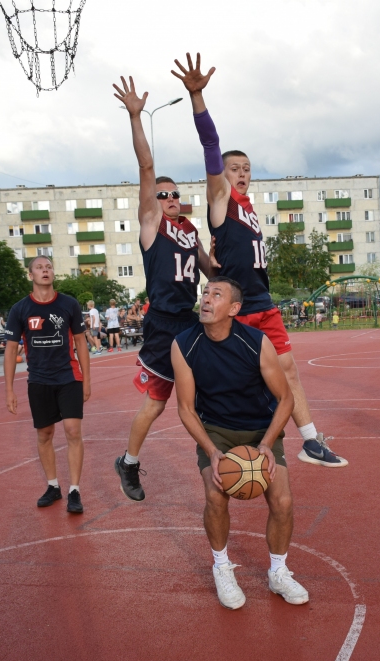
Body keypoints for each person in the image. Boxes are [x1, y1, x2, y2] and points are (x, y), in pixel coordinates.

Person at [176, 52, 346, 467]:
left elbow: (231, 260)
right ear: (221, 174)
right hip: (238, 307)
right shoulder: (221, 201)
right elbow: (211, 144)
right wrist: (198, 98)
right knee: (242, 380)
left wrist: (214, 266)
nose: (241, 173)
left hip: (261, 300)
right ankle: (225, 441)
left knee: (289, 372)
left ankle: (308, 440)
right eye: (234, 168)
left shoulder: (250, 210)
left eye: (247, 168)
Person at [110, 74, 216, 502]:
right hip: (163, 324)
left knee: (211, 386)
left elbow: (210, 267)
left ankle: (217, 453)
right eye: (163, 194)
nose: (170, 198)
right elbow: (147, 168)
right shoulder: (152, 225)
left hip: (190, 321)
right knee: (156, 403)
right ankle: (128, 462)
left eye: (175, 194)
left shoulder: (189, 228)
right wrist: (137, 117)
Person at [172, 277, 307, 609]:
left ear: (233, 309)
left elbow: (285, 399)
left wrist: (267, 445)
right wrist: (212, 451)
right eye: (205, 292)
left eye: (216, 294)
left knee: (283, 501)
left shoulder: (256, 342)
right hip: (216, 429)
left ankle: (278, 572)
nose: (206, 298)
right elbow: (186, 409)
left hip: (261, 428)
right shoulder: (183, 344)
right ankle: (221, 567)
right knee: (215, 494)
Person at [4, 256, 92, 514]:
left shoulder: (69, 304)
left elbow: (81, 343)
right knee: (44, 434)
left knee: (73, 431)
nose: (46, 270)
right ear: (30, 275)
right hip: (39, 380)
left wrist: (87, 379)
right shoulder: (20, 309)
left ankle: (74, 490)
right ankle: (53, 486)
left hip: (69, 377)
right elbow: (11, 351)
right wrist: (9, 389)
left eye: (49, 266)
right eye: (40, 267)